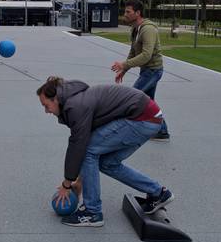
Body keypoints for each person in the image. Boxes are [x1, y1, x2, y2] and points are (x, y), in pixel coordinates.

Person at [37, 76, 174, 227]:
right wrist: (79, 183)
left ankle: (92, 212)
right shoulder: (75, 99)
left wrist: (67, 184)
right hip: (148, 118)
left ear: (55, 98)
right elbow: (90, 138)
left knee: (87, 149)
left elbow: (79, 147)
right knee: (107, 163)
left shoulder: (75, 106)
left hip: (141, 118)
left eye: (46, 105)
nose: (46, 111)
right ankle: (158, 193)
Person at [111, 0, 170, 140]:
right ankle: (162, 131)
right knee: (150, 102)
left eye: (128, 12)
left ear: (138, 13)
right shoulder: (135, 28)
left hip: (153, 71)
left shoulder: (148, 29)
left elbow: (146, 55)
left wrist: (124, 65)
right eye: (125, 11)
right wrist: (124, 70)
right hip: (147, 71)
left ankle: (122, 131)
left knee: (131, 98)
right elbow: (133, 51)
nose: (125, 14)